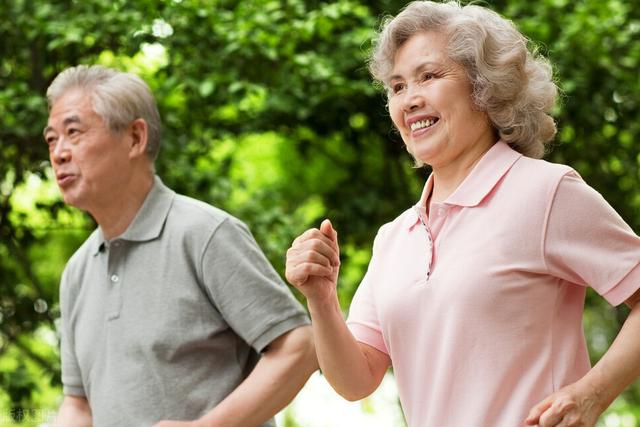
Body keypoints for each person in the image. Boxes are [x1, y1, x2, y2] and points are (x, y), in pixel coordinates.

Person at [285, 1, 640, 426]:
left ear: (484, 87)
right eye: (397, 87)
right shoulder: (396, 236)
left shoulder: (546, 191)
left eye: (429, 77)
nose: (409, 100)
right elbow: (356, 380)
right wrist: (322, 300)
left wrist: (591, 395)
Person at [44, 65, 316, 427]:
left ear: (135, 138)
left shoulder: (206, 234)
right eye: (51, 139)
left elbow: (299, 348)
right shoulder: (76, 273)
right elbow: (79, 405)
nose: (59, 153)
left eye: (73, 132)